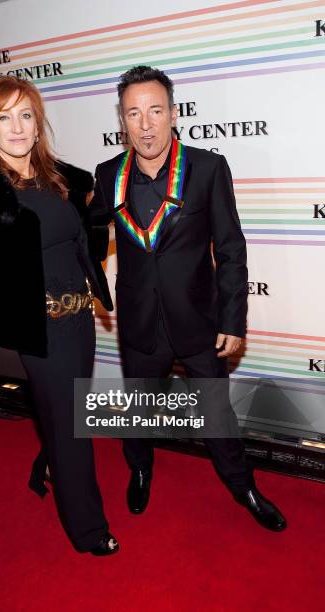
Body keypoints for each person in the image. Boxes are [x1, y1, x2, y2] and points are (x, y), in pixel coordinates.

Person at [89, 65, 286, 532]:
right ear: (123, 120)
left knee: (217, 413)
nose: (145, 124)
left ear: (173, 113)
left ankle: (244, 488)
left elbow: (232, 249)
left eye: (155, 110)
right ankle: (139, 468)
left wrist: (233, 320)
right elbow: (90, 235)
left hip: (198, 320)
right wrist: (89, 285)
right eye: (133, 113)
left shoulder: (207, 169)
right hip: (139, 322)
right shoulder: (108, 174)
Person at [0, 75, 119, 555]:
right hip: (39, 329)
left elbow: (82, 237)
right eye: (4, 117)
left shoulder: (61, 178)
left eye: (26, 115)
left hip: (79, 320)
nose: (17, 127)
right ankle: (88, 530)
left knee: (67, 412)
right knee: (72, 426)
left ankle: (46, 465)